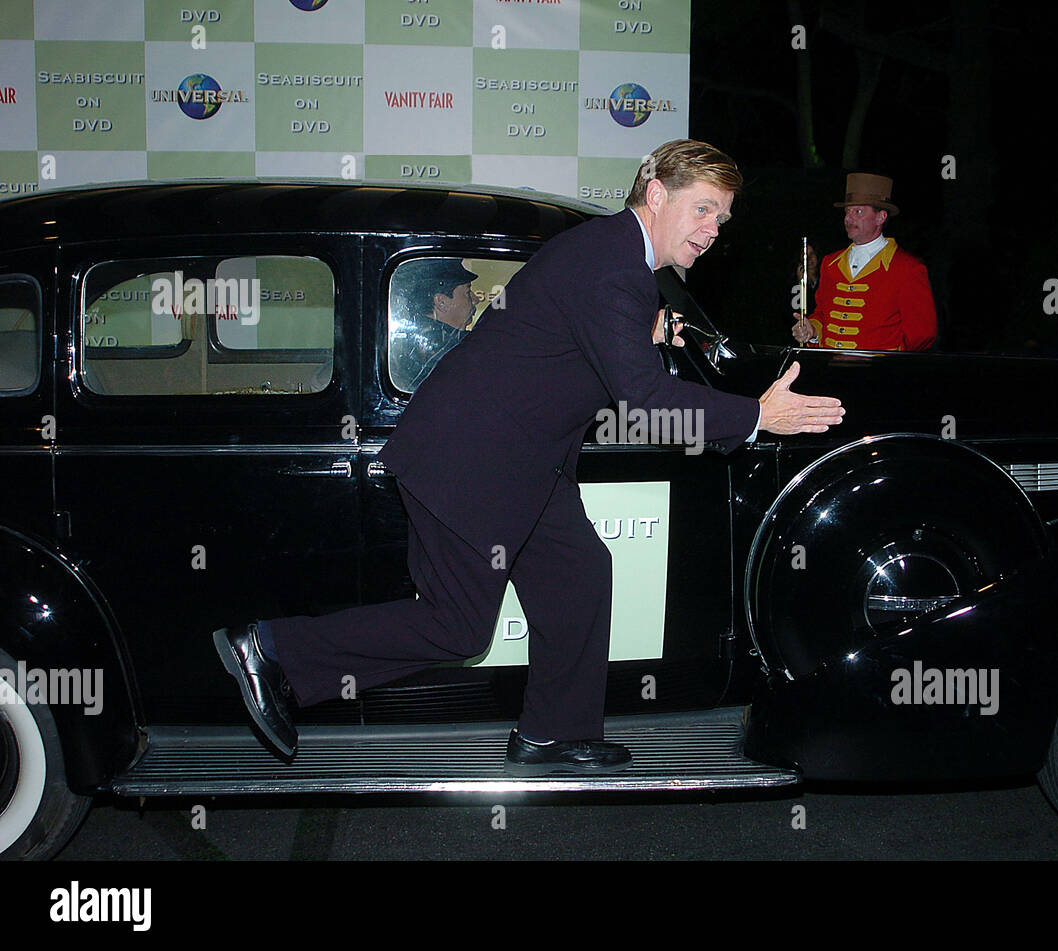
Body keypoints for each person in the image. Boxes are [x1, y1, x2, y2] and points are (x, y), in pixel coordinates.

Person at [213, 139, 845, 774]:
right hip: (471, 460)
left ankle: (552, 733)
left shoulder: (613, 256)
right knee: (457, 627)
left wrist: (645, 335)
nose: (711, 232)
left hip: (523, 463)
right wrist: (760, 415)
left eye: (721, 220)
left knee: (579, 576)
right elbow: (645, 399)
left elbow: (572, 339)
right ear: (656, 195)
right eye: (703, 210)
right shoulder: (614, 268)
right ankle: (270, 649)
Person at [792, 173, 937, 351]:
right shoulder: (830, 264)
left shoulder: (908, 268)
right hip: (831, 371)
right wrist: (812, 330)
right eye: (847, 211)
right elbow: (822, 315)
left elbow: (922, 335)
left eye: (858, 211)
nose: (848, 218)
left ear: (880, 217)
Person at [389, 259, 482, 390]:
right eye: (467, 293)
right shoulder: (450, 350)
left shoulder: (414, 346)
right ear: (441, 302)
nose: (476, 299)